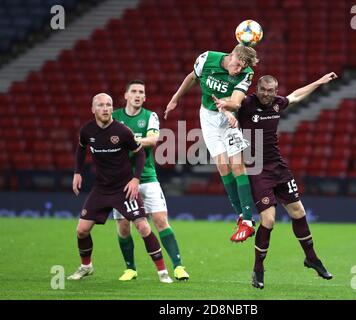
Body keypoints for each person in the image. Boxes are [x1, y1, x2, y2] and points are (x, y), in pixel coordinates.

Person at [214, 74, 337, 289]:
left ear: (275, 91)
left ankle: (312, 259)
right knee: (268, 221)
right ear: (258, 89)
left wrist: (319, 82)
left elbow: (297, 95)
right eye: (263, 90)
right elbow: (229, 104)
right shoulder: (247, 102)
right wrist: (224, 109)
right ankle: (258, 269)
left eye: (271, 91)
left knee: (299, 212)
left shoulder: (278, 104)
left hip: (278, 168)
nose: (267, 94)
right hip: (256, 169)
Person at [67, 93, 173, 283]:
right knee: (82, 230)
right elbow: (81, 147)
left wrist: (135, 179)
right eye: (101, 105)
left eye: (109, 105)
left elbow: (140, 153)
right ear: (93, 109)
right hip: (101, 189)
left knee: (142, 226)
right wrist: (77, 172)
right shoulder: (87, 131)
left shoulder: (122, 131)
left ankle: (163, 272)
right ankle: (86, 266)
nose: (106, 108)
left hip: (123, 188)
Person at [164, 44, 259, 242]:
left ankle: (248, 221)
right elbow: (192, 77)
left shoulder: (246, 73)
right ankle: (240, 214)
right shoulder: (206, 59)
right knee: (223, 167)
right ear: (231, 56)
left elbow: (236, 101)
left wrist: (227, 108)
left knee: (237, 165)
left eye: (243, 68)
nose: (239, 70)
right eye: (238, 65)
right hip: (208, 118)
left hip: (228, 119)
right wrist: (175, 99)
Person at [112, 80, 189, 281]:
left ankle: (179, 267)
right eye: (134, 91)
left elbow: (153, 140)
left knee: (161, 221)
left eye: (141, 92)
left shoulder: (150, 116)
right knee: (122, 226)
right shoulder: (114, 117)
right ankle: (130, 268)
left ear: (145, 98)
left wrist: (128, 142)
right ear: (126, 95)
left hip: (147, 178)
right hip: (120, 181)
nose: (138, 95)